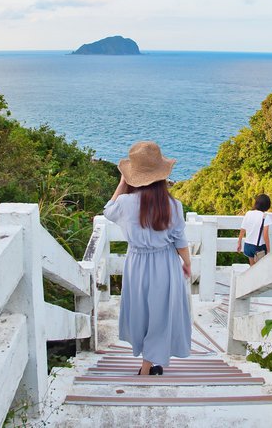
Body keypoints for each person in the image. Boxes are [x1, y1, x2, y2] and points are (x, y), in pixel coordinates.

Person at [103, 141, 192, 376]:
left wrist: (123, 183)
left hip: (137, 263)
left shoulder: (124, 203)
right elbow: (179, 240)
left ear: (134, 176)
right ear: (162, 175)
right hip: (164, 263)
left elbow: (107, 211)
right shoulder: (173, 205)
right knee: (161, 314)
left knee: (141, 312)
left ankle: (147, 364)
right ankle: (150, 363)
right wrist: (187, 263)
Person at [236, 194, 272, 266]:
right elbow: (265, 235)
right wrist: (268, 249)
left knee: (252, 267)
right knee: (259, 268)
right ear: (267, 206)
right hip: (258, 247)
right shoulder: (265, 217)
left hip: (248, 245)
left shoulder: (248, 213)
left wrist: (239, 242)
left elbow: (243, 229)